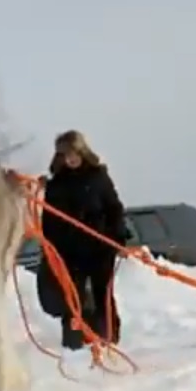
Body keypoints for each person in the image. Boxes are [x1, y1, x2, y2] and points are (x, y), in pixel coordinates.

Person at [40, 130, 129, 349]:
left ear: (82, 152)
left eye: (73, 153)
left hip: (100, 246)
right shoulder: (56, 184)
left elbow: (114, 208)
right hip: (71, 251)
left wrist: (117, 236)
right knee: (73, 297)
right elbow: (49, 221)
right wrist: (52, 248)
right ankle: (73, 343)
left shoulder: (98, 176)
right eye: (65, 154)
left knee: (102, 294)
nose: (70, 158)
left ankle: (110, 339)